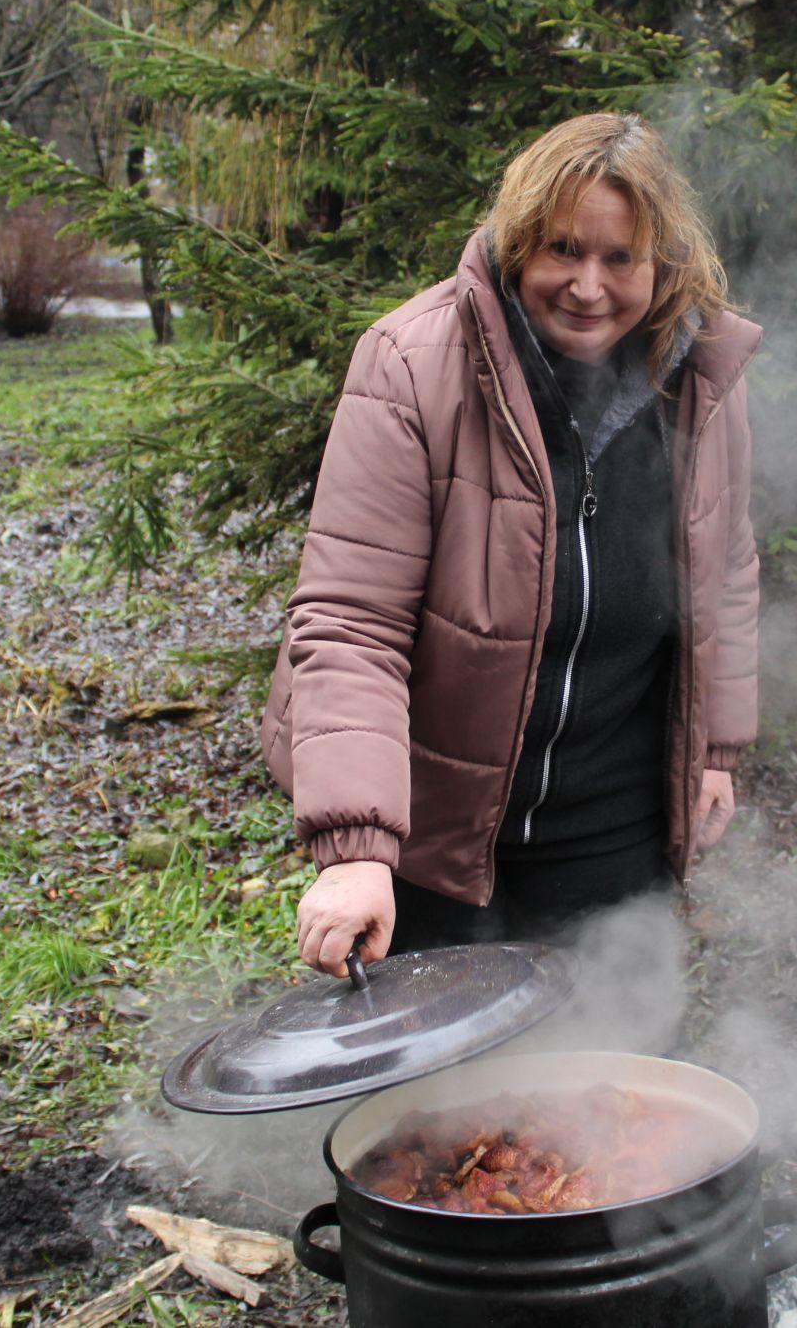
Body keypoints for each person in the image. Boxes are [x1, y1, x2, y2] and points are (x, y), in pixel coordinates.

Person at [262, 112, 762, 977]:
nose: (588, 285)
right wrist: (356, 849)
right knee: (438, 1107)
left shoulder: (699, 374)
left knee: (600, 1093)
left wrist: (714, 747)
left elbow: (726, 569)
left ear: (662, 263)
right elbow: (350, 621)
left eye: (620, 258)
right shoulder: (412, 365)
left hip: (616, 840)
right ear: (516, 242)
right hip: (434, 843)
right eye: (563, 249)